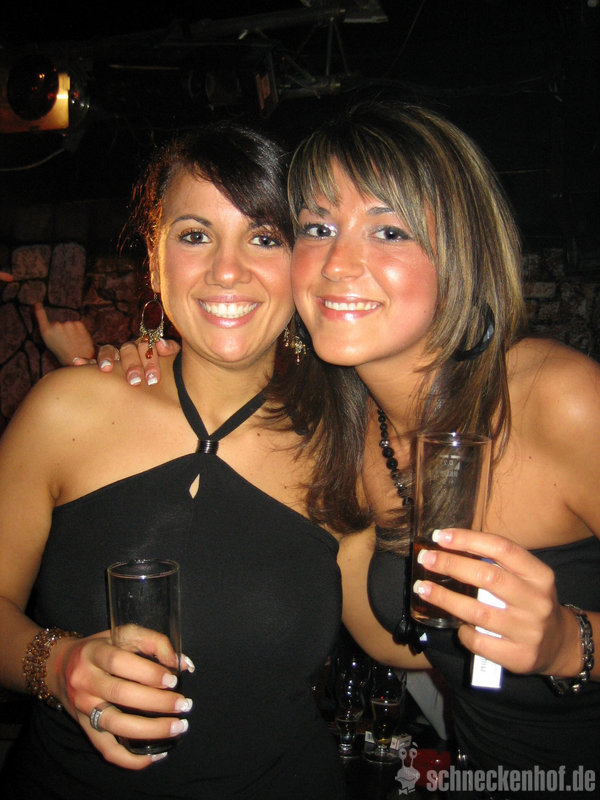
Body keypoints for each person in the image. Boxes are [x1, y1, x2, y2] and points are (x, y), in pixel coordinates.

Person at [114, 102, 600, 797]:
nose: (338, 264)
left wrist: (568, 643)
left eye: (389, 231)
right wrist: (144, 367)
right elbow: (392, 638)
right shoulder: (348, 433)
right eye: (317, 228)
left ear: (461, 252)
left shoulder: (560, 399)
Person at [0, 120, 404, 800]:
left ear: (302, 262)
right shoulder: (64, 410)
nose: (227, 270)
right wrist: (58, 664)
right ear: (155, 259)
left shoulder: (341, 442)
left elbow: (395, 636)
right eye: (195, 236)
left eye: (264, 238)